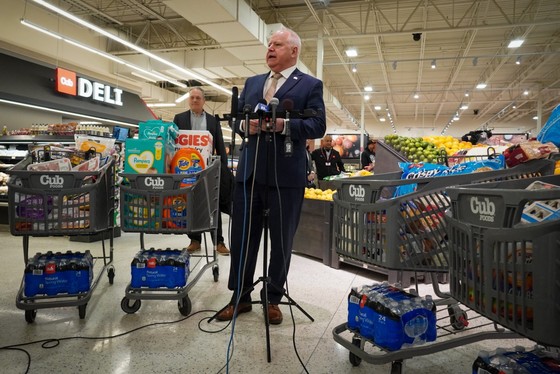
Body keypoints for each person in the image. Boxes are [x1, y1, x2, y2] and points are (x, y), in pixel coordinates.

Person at [216, 27, 326, 324]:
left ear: (294, 51)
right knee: (241, 239)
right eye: (269, 44)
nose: (270, 48)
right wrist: (243, 127)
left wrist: (282, 126)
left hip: (286, 176)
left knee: (280, 242)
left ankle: (273, 299)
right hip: (249, 174)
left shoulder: (309, 85)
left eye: (277, 44)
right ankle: (239, 297)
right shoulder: (252, 83)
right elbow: (238, 120)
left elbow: (318, 126)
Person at [173, 87, 230, 255]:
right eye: (192, 97)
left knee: (214, 204)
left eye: (198, 98)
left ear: (204, 101)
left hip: (208, 171)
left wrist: (224, 170)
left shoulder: (213, 121)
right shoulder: (179, 118)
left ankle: (218, 241)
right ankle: (195, 240)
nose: (195, 100)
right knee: (191, 204)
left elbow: (219, 145)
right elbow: (173, 144)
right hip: (186, 170)